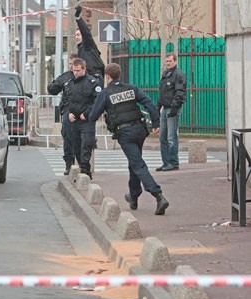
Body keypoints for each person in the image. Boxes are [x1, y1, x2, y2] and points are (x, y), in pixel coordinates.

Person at [89, 63, 169, 215]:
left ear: (107, 76)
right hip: (140, 130)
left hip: (125, 133)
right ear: (119, 75)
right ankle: (134, 195)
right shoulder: (131, 88)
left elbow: (93, 116)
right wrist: (156, 123)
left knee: (137, 164)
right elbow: (148, 103)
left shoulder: (106, 93)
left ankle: (158, 196)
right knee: (134, 162)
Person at [66, 58, 103, 179]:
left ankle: (85, 169)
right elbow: (66, 101)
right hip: (74, 119)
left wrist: (87, 113)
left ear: (84, 69)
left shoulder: (93, 83)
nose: (75, 73)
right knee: (76, 146)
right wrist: (68, 113)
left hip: (86, 120)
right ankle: (82, 166)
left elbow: (98, 101)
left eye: (78, 70)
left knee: (86, 145)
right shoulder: (70, 83)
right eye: (74, 70)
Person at [47, 53, 77, 175]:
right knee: (67, 135)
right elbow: (54, 88)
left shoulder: (86, 77)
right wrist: (52, 86)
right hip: (68, 110)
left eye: (73, 64)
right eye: (69, 64)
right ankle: (69, 163)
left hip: (82, 111)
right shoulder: (66, 77)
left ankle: (82, 164)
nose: (71, 67)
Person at [156, 52, 187, 172]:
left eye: (170, 61)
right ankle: (165, 162)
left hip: (173, 108)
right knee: (162, 137)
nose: (168, 63)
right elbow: (162, 93)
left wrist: (174, 109)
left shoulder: (179, 75)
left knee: (171, 137)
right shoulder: (165, 74)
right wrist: (158, 107)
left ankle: (173, 162)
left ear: (175, 61)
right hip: (165, 108)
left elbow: (180, 93)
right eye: (167, 61)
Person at [75, 5, 105, 77]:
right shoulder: (81, 48)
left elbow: (86, 33)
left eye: (78, 35)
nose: (76, 37)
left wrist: (78, 18)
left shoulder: (87, 45)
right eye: (75, 35)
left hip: (94, 77)